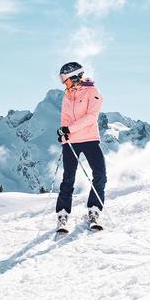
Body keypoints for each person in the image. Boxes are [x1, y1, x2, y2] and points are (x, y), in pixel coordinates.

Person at [55, 62, 107, 233]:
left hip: (90, 139)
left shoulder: (93, 92)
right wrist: (63, 134)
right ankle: (63, 215)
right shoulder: (67, 95)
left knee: (100, 174)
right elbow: (65, 118)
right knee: (68, 178)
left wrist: (69, 129)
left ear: (75, 76)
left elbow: (92, 117)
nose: (64, 83)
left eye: (65, 79)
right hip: (71, 142)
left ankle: (94, 211)